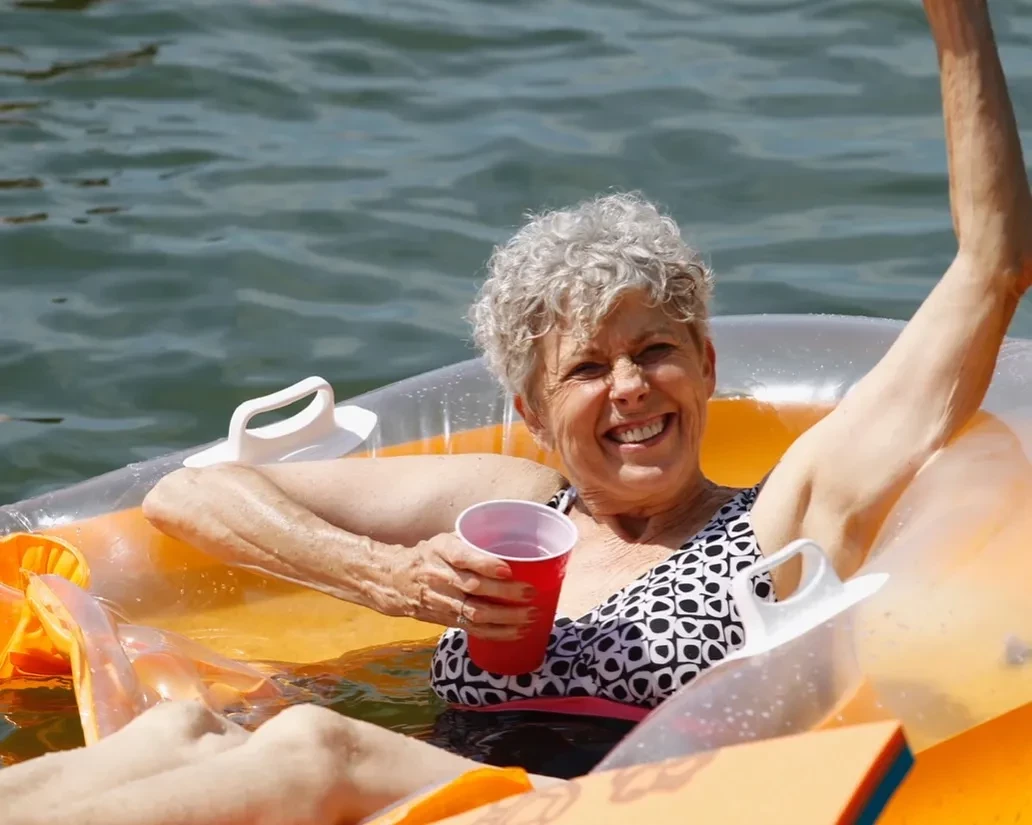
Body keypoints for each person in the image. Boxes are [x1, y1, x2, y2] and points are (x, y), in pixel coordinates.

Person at [143, 0, 1031, 715]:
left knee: (313, 750)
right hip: (432, 792)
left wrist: (956, 19)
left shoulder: (781, 520)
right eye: (587, 369)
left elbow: (992, 266)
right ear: (532, 412)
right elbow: (187, 494)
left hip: (602, 801)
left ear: (708, 366)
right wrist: (383, 576)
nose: (631, 387)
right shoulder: (515, 505)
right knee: (188, 728)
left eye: (655, 350)